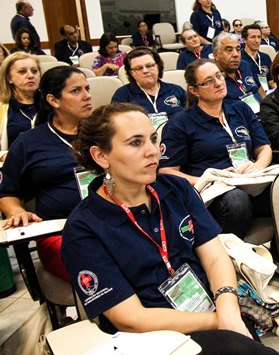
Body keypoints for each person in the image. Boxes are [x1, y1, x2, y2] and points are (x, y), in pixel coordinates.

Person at [63, 103, 278, 355]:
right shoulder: (83, 229)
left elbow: (215, 257)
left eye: (153, 139)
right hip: (154, 340)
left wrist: (228, 309)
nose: (153, 151)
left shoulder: (176, 189)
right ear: (101, 156)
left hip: (216, 316)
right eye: (136, 143)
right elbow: (131, 319)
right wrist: (219, 321)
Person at [158, 59, 272, 238]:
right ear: (194, 91)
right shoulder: (180, 123)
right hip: (212, 192)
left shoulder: (240, 108)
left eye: (219, 76)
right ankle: (226, 251)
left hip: (249, 182)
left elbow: (264, 148)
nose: (218, 83)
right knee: (236, 200)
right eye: (209, 81)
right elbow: (166, 171)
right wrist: (209, 179)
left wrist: (257, 167)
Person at [0, 66, 92, 282]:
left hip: (114, 220)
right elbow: (7, 191)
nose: (87, 96)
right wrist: (16, 211)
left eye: (87, 89)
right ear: (53, 100)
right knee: (102, 261)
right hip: (62, 231)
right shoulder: (30, 142)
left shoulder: (105, 131)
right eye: (76, 91)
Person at [112, 47, 186, 126]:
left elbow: (191, 117)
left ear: (158, 67)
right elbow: (117, 125)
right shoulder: (123, 95)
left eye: (149, 66)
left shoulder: (176, 90)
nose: (145, 71)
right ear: (131, 73)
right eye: (139, 68)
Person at [0, 52, 42, 152]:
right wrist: (3, 156)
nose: (30, 75)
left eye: (34, 71)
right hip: (14, 159)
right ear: (9, 78)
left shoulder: (52, 103)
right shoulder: (2, 108)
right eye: (22, 72)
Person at [213, 33, 265, 107]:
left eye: (238, 49)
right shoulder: (213, 77)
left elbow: (258, 89)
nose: (236, 54)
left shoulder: (244, 65)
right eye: (229, 50)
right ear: (216, 55)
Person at [241, 24, 273, 90]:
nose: (257, 41)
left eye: (259, 37)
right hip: (251, 93)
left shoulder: (265, 57)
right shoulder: (240, 59)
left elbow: (271, 80)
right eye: (253, 37)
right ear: (244, 40)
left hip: (268, 92)